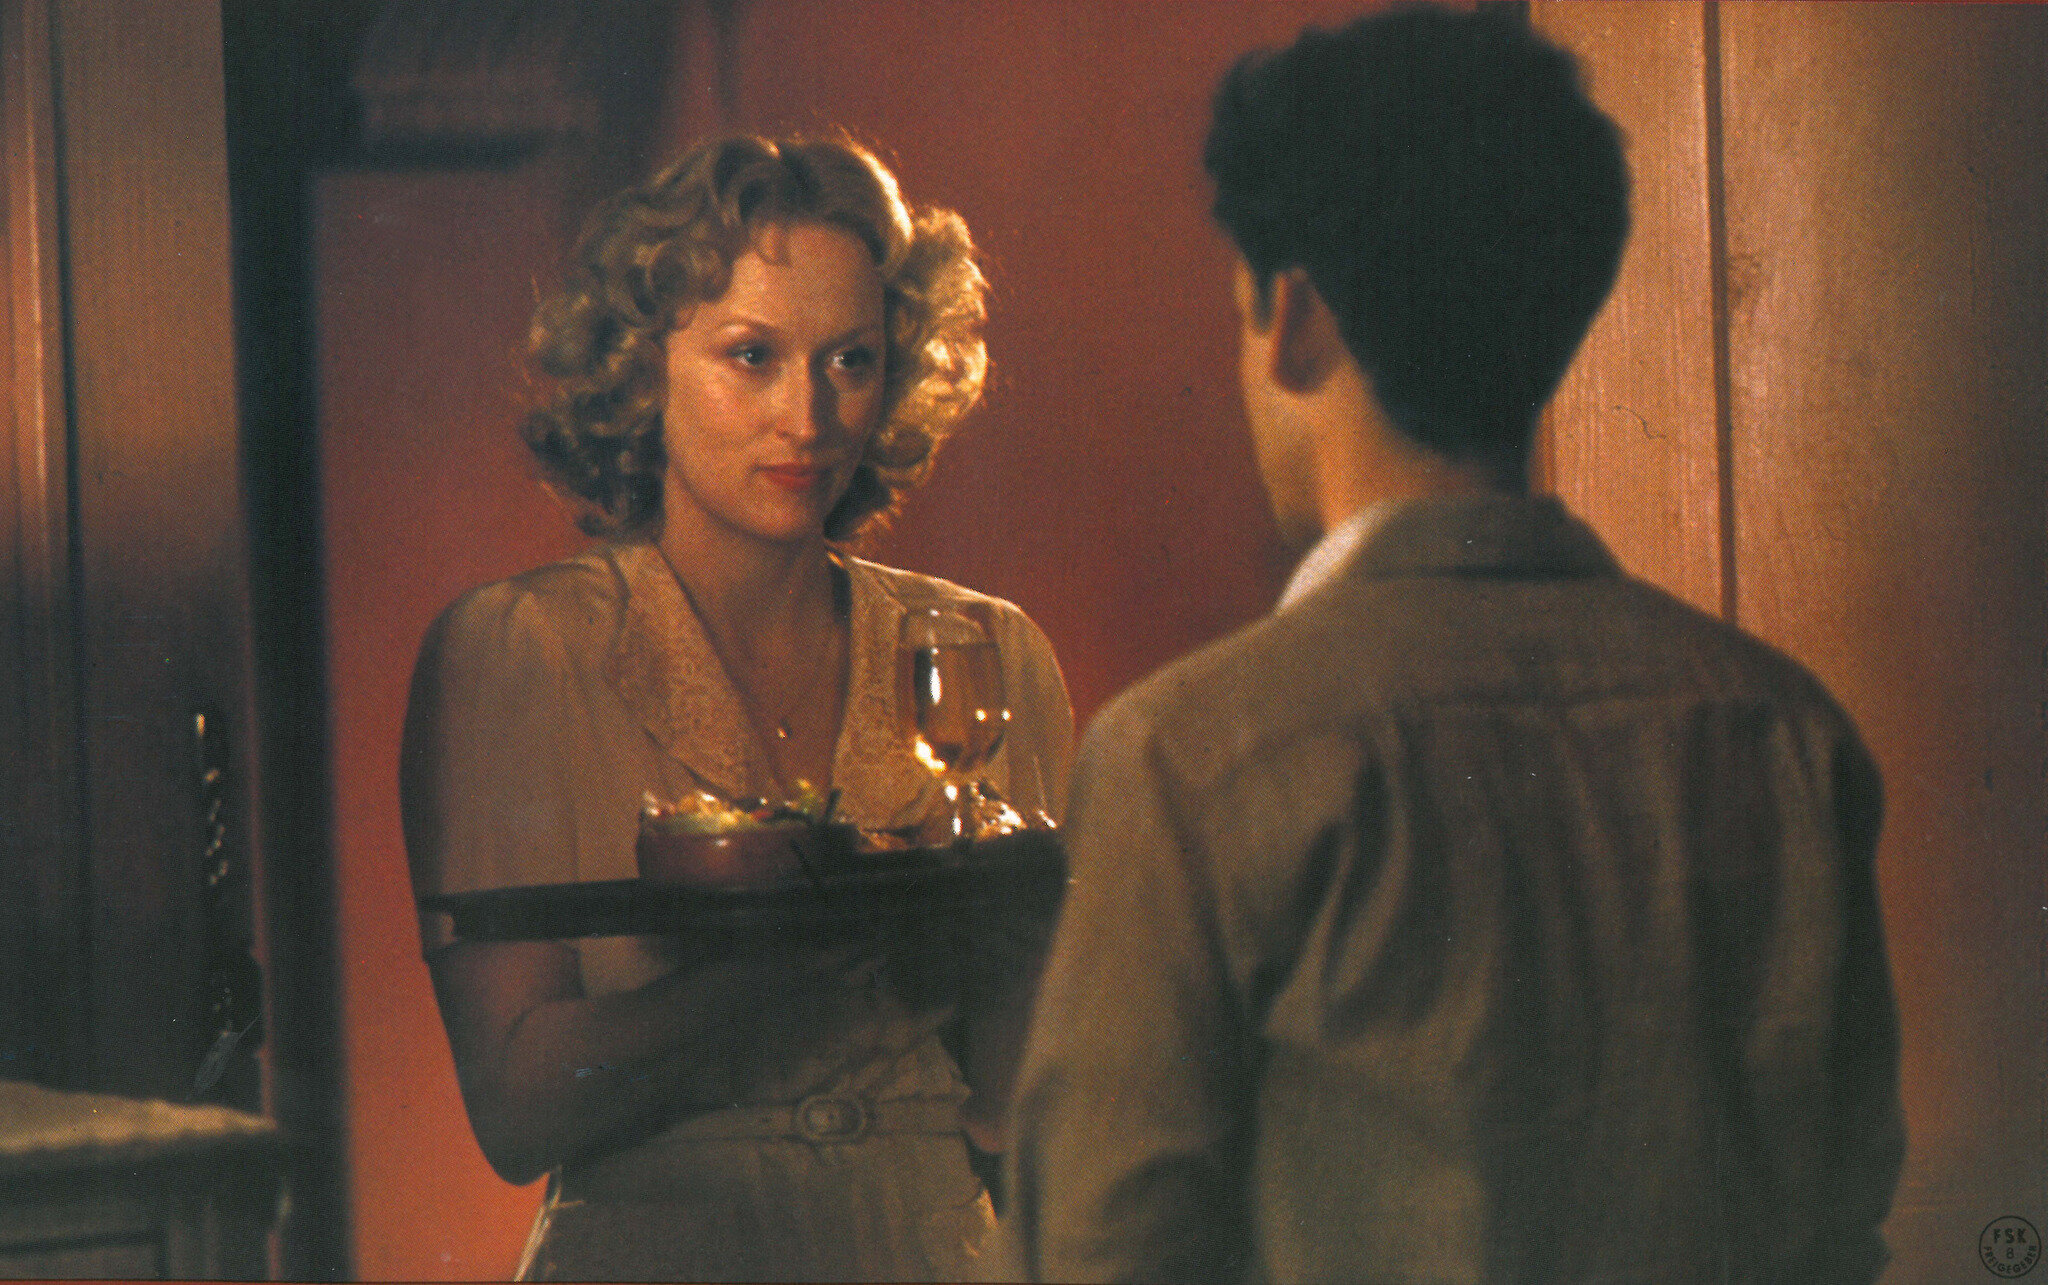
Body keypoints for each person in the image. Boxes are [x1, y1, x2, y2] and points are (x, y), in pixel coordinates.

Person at [1004, 8, 1903, 1282]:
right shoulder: (1782, 729)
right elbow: (1837, 1224)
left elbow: (1102, 1253)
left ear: (1292, 318)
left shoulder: (1186, 757)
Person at [400, 134, 1073, 1282]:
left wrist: (1024, 959)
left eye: (849, 360)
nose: (805, 416)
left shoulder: (982, 653)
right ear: (640, 368)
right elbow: (513, 1111)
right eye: (751, 356)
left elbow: (1018, 1103)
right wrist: (772, 986)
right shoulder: (521, 652)